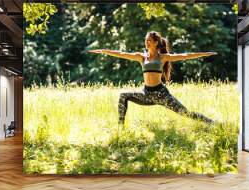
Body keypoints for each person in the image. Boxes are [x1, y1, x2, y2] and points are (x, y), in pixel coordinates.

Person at [88, 31, 217, 128]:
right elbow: (121, 54)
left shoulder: (163, 57)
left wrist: (204, 54)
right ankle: (120, 127)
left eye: (149, 40)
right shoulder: (141, 57)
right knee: (123, 96)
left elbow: (185, 56)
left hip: (161, 94)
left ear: (156, 42)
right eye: (146, 40)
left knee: (186, 113)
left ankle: (212, 122)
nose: (146, 42)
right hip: (146, 94)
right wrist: (104, 51)